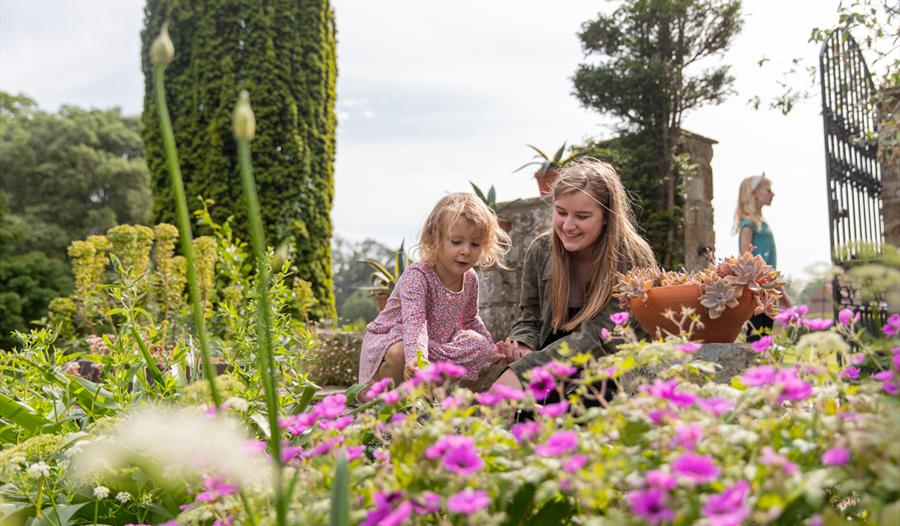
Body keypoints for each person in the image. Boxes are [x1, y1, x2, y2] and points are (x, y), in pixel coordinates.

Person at [492, 158, 656, 393]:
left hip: (610, 371)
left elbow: (600, 339)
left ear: (607, 216)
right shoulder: (541, 250)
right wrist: (522, 345)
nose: (568, 226)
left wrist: (526, 371)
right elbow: (531, 317)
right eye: (561, 212)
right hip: (552, 362)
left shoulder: (632, 257)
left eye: (581, 216)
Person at [358, 192, 511, 387]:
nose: (466, 251)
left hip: (432, 344)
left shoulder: (470, 277)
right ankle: (386, 400)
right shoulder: (418, 276)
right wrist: (416, 357)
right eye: (456, 242)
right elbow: (415, 323)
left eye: (475, 244)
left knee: (478, 345)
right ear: (435, 238)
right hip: (397, 340)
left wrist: (491, 349)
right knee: (401, 353)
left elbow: (470, 319)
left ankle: (429, 395)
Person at [732, 173, 788, 340]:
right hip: (756, 295)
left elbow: (770, 266)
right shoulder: (748, 225)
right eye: (768, 190)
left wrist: (779, 291)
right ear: (754, 193)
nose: (772, 194)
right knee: (756, 339)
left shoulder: (762, 224)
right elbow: (746, 259)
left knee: (765, 339)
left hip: (769, 293)